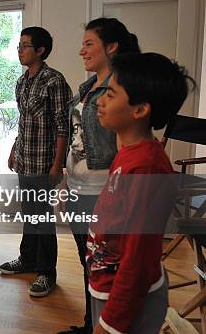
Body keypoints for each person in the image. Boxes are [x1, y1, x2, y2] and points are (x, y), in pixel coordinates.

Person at [88, 52, 193, 334]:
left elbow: (139, 260)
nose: (100, 101)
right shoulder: (130, 153)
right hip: (107, 284)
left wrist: (110, 325)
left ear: (139, 110)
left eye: (111, 94)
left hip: (128, 300)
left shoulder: (147, 168)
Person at [59, 18, 141, 334]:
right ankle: (90, 323)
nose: (81, 51)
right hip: (80, 189)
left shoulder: (121, 89)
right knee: (87, 262)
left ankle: (107, 325)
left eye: (88, 43)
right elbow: (78, 141)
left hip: (104, 193)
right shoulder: (87, 87)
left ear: (112, 47)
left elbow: (127, 144)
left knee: (107, 266)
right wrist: (67, 183)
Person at [0, 26, 72, 297]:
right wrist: (14, 149)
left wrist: (57, 164)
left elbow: (63, 126)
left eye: (25, 45)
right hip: (25, 158)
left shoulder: (54, 80)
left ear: (40, 50)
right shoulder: (22, 81)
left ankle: (46, 273)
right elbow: (24, 122)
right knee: (29, 213)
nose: (20, 50)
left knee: (41, 218)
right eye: (18, 45)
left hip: (44, 162)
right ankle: (27, 259)